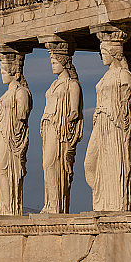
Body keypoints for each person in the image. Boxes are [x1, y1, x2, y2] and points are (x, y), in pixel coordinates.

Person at [84, 35, 131, 211]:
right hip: (100, 124)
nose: (102, 56)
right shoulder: (107, 76)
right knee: (90, 164)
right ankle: (103, 201)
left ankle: (115, 204)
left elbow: (128, 104)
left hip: (115, 126)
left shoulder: (124, 76)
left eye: (104, 52)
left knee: (114, 162)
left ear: (114, 53)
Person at [41, 51, 83, 213]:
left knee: (53, 164)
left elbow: (74, 111)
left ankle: (57, 205)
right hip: (49, 128)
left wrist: (61, 120)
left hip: (61, 131)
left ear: (64, 62)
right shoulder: (53, 85)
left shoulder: (72, 85)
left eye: (54, 61)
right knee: (47, 166)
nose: (52, 64)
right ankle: (50, 203)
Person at [0, 53, 32, 215]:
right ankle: (5, 206)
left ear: (14, 72)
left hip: (12, 138)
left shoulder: (21, 92)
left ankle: (11, 208)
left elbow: (22, 115)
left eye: (4, 71)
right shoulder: (8, 93)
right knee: (0, 170)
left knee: (6, 169)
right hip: (2, 135)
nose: (2, 74)